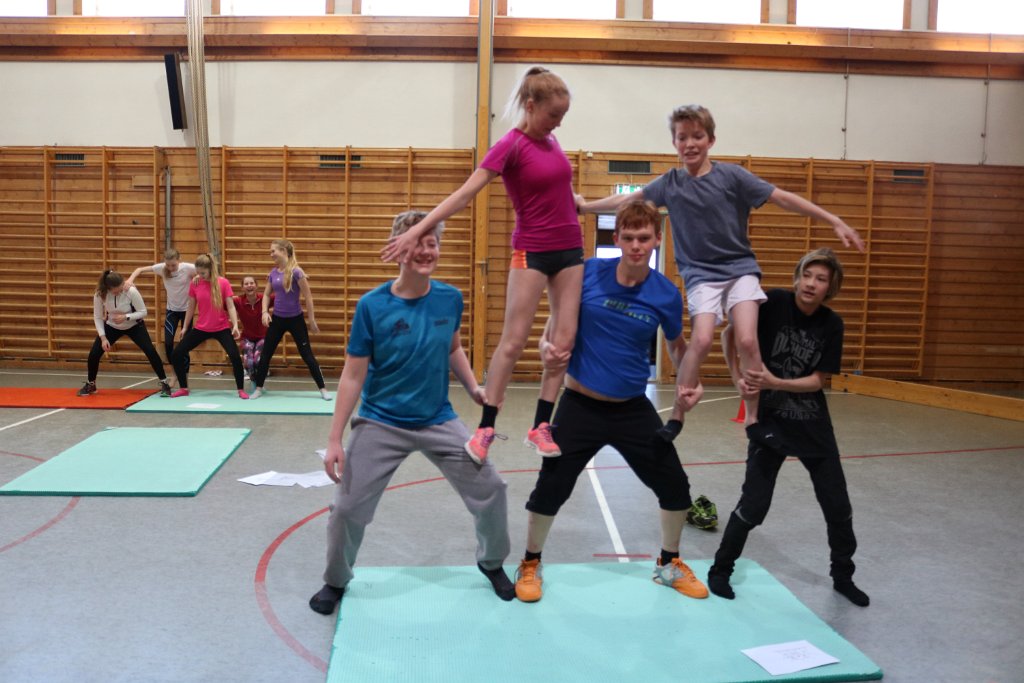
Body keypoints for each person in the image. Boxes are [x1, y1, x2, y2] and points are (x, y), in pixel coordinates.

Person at [579, 105, 864, 440]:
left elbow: (783, 198)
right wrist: (585, 207)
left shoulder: (732, 177)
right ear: (674, 143)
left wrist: (833, 219)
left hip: (740, 269)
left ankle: (753, 418)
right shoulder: (670, 183)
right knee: (700, 340)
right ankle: (677, 417)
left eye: (697, 136)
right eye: (682, 137)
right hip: (701, 275)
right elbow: (627, 201)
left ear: (711, 140)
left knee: (747, 339)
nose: (690, 144)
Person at [309, 211, 513, 616]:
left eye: (431, 242)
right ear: (397, 249)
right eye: (416, 243)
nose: (425, 251)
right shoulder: (372, 306)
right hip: (380, 422)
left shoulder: (450, 298)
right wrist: (334, 440)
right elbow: (353, 375)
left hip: (438, 419)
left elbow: (453, 347)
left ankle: (491, 562)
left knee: (493, 488)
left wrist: (473, 387)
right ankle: (335, 580)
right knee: (347, 509)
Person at [380, 66, 583, 463]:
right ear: (530, 106)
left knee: (563, 344)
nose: (558, 123)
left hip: (570, 247)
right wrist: (418, 229)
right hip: (532, 249)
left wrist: (577, 202)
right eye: (553, 115)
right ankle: (486, 427)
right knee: (514, 340)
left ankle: (541, 425)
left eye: (562, 116)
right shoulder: (510, 146)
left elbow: (558, 188)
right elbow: (464, 194)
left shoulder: (552, 140)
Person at [513, 199, 705, 604]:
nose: (636, 245)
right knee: (551, 488)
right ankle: (530, 562)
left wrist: (691, 381)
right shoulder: (587, 273)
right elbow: (557, 318)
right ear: (616, 238)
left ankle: (669, 563)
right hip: (580, 404)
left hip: (632, 407)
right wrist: (545, 345)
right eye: (629, 237)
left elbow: (677, 346)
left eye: (644, 238)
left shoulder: (665, 293)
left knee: (675, 486)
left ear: (657, 240)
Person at [707, 248, 869, 607]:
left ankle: (843, 576)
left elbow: (817, 381)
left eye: (820, 279)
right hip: (770, 424)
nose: (811, 283)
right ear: (797, 277)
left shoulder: (832, 324)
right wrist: (737, 380)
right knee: (753, 506)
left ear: (830, 288)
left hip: (813, 425)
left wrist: (774, 382)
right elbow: (730, 335)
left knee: (837, 506)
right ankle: (720, 570)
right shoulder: (774, 303)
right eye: (807, 275)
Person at [249, 239, 329, 401]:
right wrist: (264, 312)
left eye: (273, 251)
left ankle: (323, 389)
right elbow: (266, 294)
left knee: (307, 355)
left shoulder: (297, 272)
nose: (271, 254)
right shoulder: (273, 273)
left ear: (284, 251)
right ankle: (258, 388)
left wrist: (311, 320)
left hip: (295, 320)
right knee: (266, 354)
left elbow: (308, 297)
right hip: (277, 320)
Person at [78, 269, 172, 397]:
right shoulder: (100, 294)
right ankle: (91, 384)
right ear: (108, 289)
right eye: (116, 291)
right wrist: (103, 338)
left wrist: (126, 317)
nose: (120, 292)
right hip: (112, 326)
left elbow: (143, 312)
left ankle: (164, 383)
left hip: (134, 325)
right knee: (94, 353)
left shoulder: (130, 291)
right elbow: (98, 317)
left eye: (121, 288)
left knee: (150, 351)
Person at [168, 253, 248, 399]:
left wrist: (235, 325)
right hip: (201, 328)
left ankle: (241, 390)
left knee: (235, 356)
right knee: (177, 353)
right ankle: (184, 388)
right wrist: (185, 327)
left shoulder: (223, 283)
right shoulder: (195, 283)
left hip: (222, 328)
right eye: (198, 272)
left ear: (211, 269)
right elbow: (191, 307)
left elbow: (230, 306)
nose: (200, 275)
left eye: (203, 273)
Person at [125, 248, 196, 380]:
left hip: (187, 311)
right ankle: (174, 372)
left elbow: (207, 273)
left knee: (184, 344)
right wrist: (130, 280)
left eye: (173, 265)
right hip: (172, 311)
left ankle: (184, 374)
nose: (170, 268)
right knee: (168, 343)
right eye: (168, 265)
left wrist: (198, 276)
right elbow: (139, 269)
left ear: (179, 260)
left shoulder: (188, 268)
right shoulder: (162, 268)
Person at [233, 275, 273, 380]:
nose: (249, 285)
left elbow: (281, 294)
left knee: (258, 361)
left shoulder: (264, 299)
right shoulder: (238, 301)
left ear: (256, 286)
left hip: (263, 337)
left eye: (251, 283)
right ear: (242, 288)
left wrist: (275, 278)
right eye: (246, 284)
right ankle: (252, 374)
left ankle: (262, 371)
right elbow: (222, 299)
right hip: (247, 338)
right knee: (249, 363)